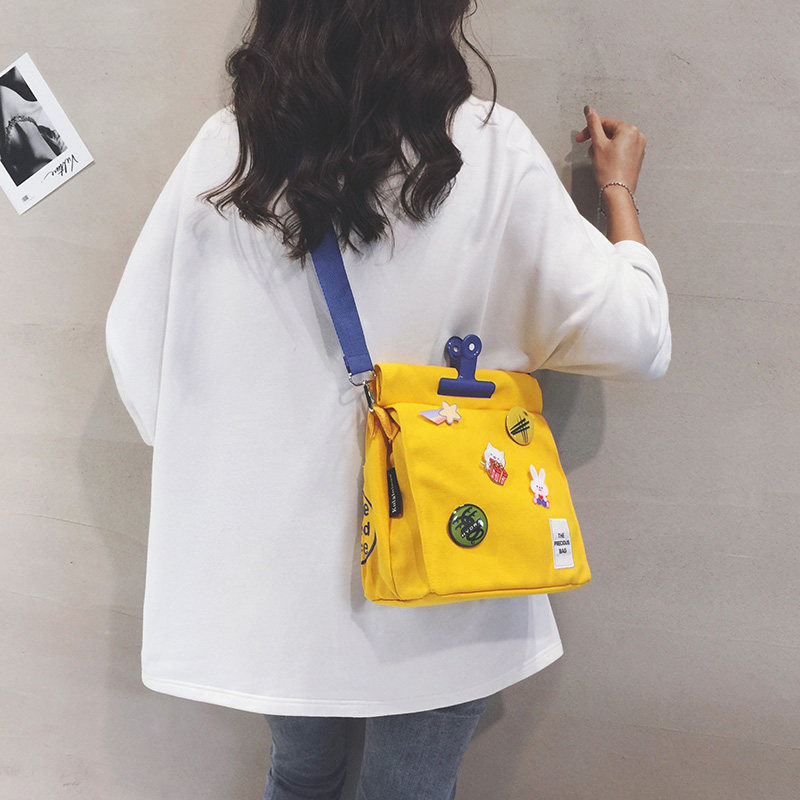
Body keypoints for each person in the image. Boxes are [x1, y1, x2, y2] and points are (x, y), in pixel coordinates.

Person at [104, 2, 670, 799]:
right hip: (445, 567)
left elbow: (137, 349)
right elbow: (636, 338)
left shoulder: (230, 150)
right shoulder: (488, 148)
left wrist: (231, 460)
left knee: (301, 775)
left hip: (276, 586)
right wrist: (617, 191)